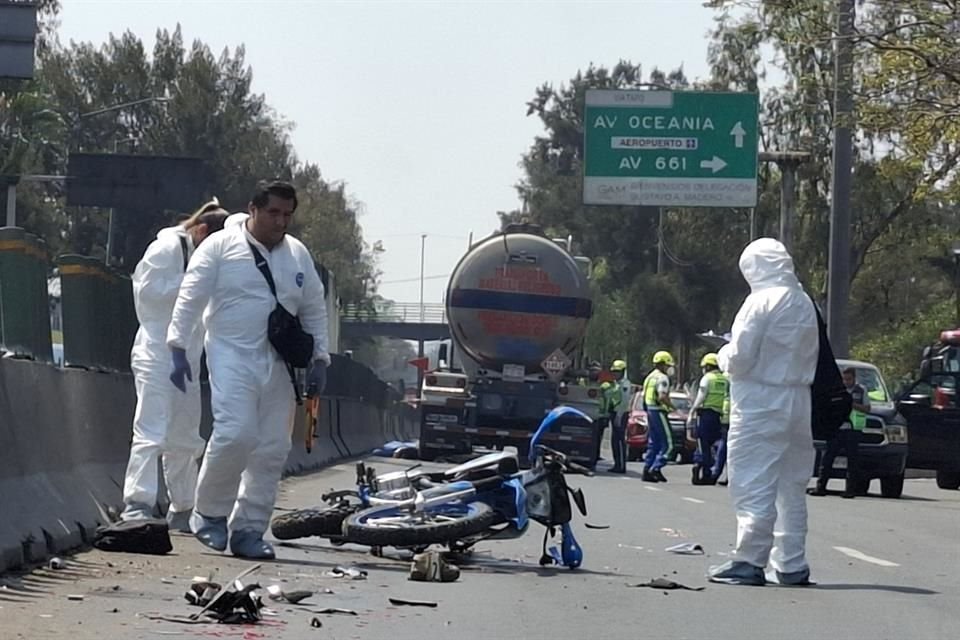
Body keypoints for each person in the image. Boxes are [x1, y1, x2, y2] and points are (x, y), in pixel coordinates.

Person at [166, 180, 331, 560]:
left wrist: (321, 358)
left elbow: (314, 308)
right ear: (253, 210)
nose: (280, 221)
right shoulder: (220, 248)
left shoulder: (297, 255)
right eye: (273, 212)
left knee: (272, 447)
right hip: (231, 355)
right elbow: (190, 297)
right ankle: (209, 513)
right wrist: (177, 348)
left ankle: (249, 529)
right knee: (236, 433)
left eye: (287, 215)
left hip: (279, 364)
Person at [710, 238, 819, 587]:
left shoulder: (758, 302)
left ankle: (749, 560)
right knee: (792, 486)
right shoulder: (804, 303)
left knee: (753, 482)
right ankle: (791, 563)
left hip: (760, 401)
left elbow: (740, 359)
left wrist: (722, 353)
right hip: (799, 400)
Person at [120, 199, 229, 532]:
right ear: (200, 231)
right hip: (156, 349)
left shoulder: (206, 259)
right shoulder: (167, 248)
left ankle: (183, 506)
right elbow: (149, 296)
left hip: (188, 354)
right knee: (151, 427)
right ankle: (137, 503)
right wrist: (195, 286)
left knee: (184, 432)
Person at [809, 367, 870, 499]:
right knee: (827, 459)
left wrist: (851, 404)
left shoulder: (861, 390)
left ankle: (850, 490)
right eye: (844, 379)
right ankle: (821, 487)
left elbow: (867, 409)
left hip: (852, 430)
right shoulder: (836, 390)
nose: (846, 382)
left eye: (849, 379)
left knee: (853, 461)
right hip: (836, 429)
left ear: (854, 378)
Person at [687, 353, 729, 485]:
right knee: (715, 443)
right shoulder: (725, 380)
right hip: (719, 416)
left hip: (705, 414)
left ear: (708, 366)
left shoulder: (707, 378)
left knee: (703, 444)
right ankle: (710, 471)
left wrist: (693, 410)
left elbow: (701, 396)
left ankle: (701, 466)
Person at [642, 351, 675, 483]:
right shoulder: (662, 378)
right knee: (669, 444)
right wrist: (673, 407)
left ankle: (647, 469)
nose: (668, 368)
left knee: (654, 443)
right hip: (658, 411)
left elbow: (645, 396)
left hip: (649, 410)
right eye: (668, 365)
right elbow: (662, 396)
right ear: (663, 365)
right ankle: (655, 467)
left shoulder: (649, 377)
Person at [602, 359, 630, 473]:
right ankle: (617, 464)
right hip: (614, 413)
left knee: (619, 440)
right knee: (614, 440)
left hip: (621, 414)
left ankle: (621, 465)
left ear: (623, 371)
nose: (615, 373)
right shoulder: (615, 384)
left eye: (618, 371)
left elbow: (624, 401)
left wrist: (619, 416)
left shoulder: (625, 384)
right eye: (614, 371)